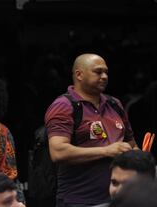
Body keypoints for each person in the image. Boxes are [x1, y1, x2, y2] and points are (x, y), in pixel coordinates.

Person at [45, 53, 138, 206]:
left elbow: (132, 144)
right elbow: (58, 152)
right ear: (79, 75)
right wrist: (106, 151)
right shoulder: (64, 106)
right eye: (98, 71)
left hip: (120, 199)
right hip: (79, 201)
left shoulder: (114, 104)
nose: (104, 76)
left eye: (106, 72)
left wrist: (139, 157)